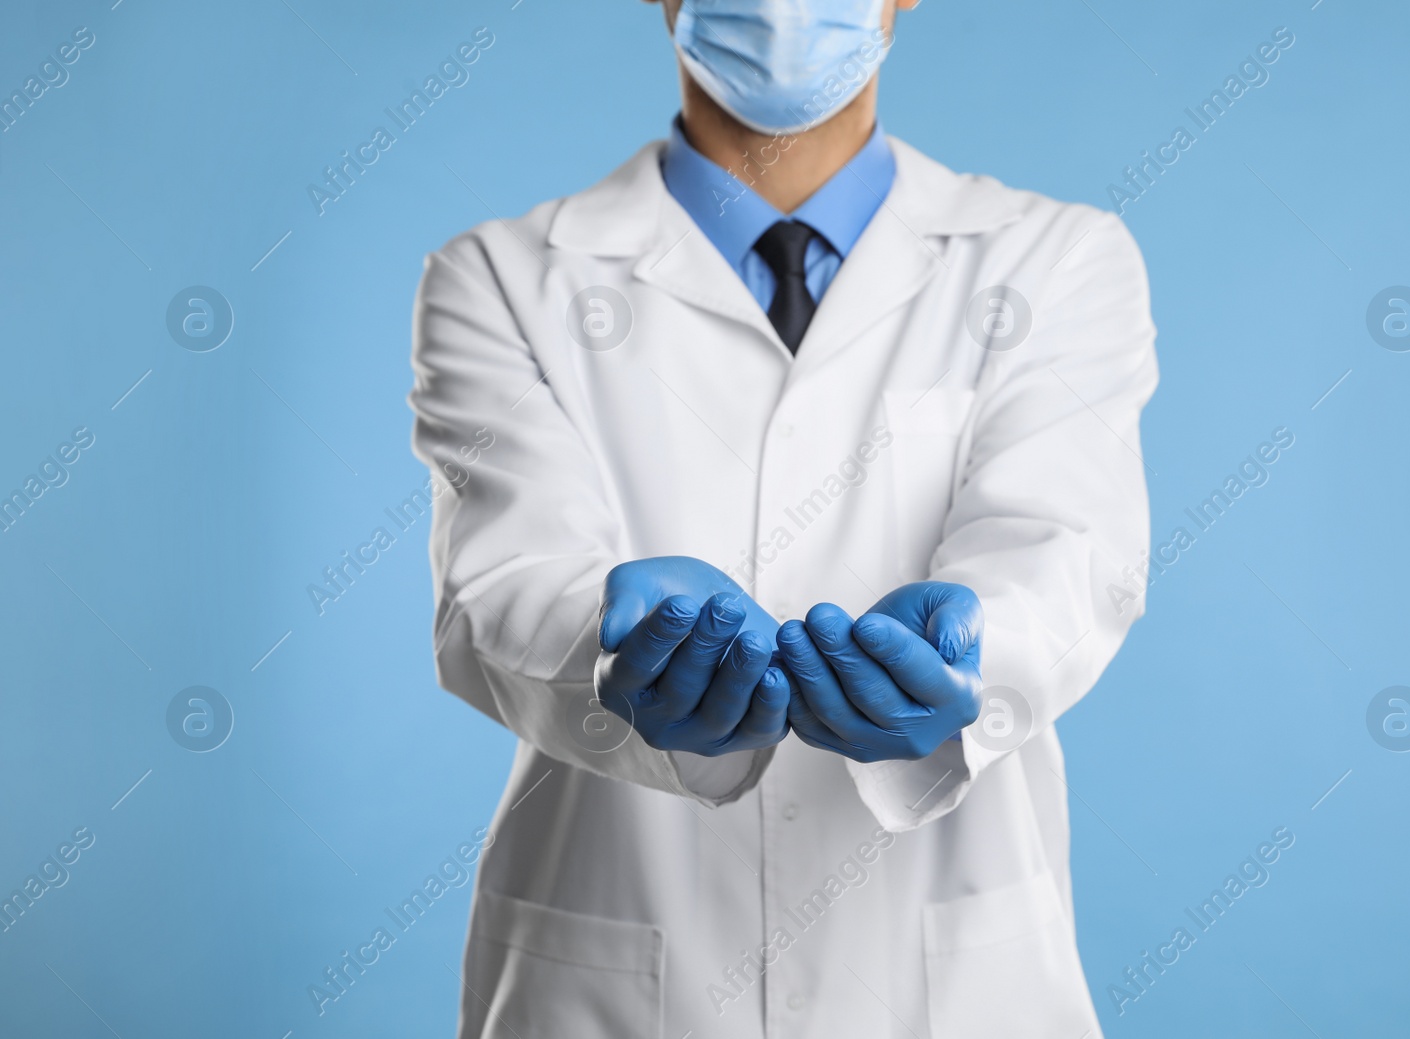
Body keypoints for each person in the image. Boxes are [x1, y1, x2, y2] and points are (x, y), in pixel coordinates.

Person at [407, 0, 1158, 1035]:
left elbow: (1070, 551)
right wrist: (609, 649)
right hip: (613, 971)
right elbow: (496, 592)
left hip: (954, 982)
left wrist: (973, 656)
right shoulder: (499, 280)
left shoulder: (1056, 262)